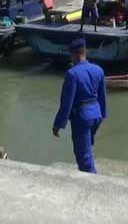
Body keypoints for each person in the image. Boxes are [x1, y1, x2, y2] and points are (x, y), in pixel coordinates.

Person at [52, 38, 107, 173]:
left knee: (83, 156)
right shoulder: (98, 70)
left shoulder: (72, 74)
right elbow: (102, 96)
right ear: (84, 52)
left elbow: (66, 103)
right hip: (96, 114)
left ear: (75, 54)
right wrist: (103, 114)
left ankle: (92, 184)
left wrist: (58, 124)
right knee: (87, 147)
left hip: (82, 118)